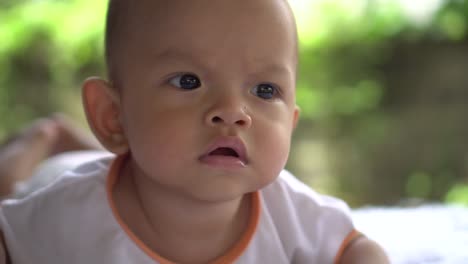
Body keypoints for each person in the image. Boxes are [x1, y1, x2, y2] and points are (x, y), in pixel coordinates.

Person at [0, 0, 390, 263]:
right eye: (189, 81)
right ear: (112, 116)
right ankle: (47, 137)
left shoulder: (287, 211)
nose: (233, 113)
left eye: (265, 91)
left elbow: (359, 250)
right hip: (54, 172)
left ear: (290, 122)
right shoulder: (65, 214)